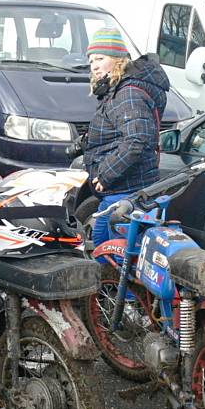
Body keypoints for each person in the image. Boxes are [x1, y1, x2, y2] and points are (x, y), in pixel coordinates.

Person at [83, 27, 169, 246]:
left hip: (126, 191)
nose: (94, 66)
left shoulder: (127, 93)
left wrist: (105, 175)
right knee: (103, 250)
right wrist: (81, 144)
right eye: (91, 60)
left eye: (100, 58)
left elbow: (136, 140)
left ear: (117, 59)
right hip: (119, 192)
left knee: (116, 256)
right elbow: (116, 130)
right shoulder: (117, 89)